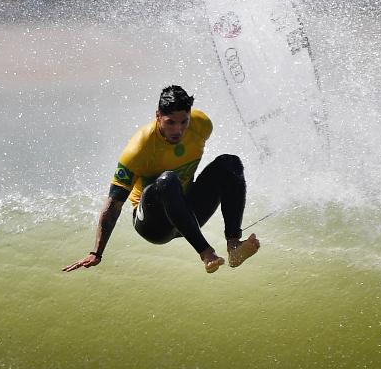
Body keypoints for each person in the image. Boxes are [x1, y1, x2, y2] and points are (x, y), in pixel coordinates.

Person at [63, 85, 259, 274]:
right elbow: (114, 204)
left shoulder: (202, 125)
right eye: (170, 122)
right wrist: (96, 252)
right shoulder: (139, 148)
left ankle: (234, 245)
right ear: (158, 116)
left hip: (188, 215)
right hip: (153, 224)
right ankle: (207, 253)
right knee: (167, 180)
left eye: (184, 122)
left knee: (229, 163)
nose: (178, 130)